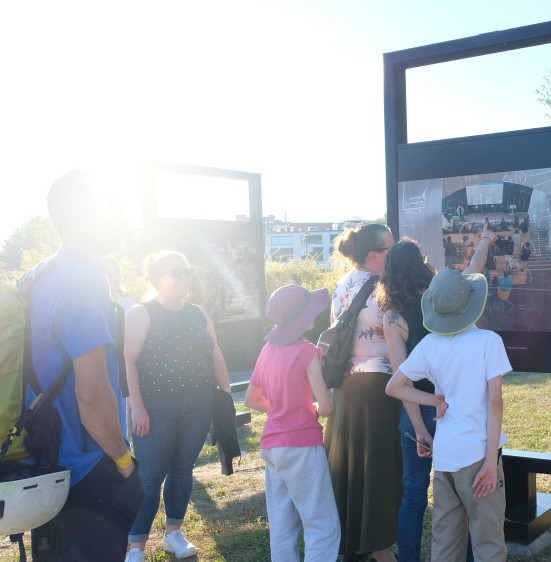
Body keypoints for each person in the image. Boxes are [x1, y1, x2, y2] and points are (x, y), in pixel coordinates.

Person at [26, 170, 144, 561]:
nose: (126, 221)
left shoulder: (38, 276)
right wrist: (124, 462)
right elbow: (92, 392)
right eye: (118, 210)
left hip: (44, 461)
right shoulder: (84, 279)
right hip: (87, 469)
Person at [378, 227, 495, 562]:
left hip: (420, 410)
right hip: (456, 407)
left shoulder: (392, 317)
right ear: (421, 264)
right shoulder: (446, 296)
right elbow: (474, 267)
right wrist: (485, 240)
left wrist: (418, 429)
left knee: (413, 494)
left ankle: (410, 558)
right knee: (470, 492)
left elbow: (404, 382)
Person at [123, 250, 232, 561]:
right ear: (158, 277)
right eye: (177, 272)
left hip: (199, 402)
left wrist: (224, 397)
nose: (185, 277)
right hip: (156, 407)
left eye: (187, 272)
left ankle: (173, 534)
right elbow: (127, 361)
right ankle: (136, 547)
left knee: (183, 470)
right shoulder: (141, 313)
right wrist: (137, 408)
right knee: (150, 475)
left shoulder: (198, 313)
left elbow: (216, 355)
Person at [245, 284, 341, 562]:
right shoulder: (308, 351)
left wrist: (280, 409)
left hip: (272, 446)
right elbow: (325, 407)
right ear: (301, 318)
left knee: (282, 526)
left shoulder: (267, 350)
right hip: (302, 446)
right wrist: (308, 408)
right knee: (321, 524)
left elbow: (251, 399)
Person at [324, 223, 399, 562]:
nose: (394, 255)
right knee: (378, 468)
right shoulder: (383, 287)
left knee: (347, 467)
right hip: (377, 386)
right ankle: (378, 545)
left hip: (345, 385)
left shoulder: (343, 283)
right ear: (374, 255)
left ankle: (348, 541)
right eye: (390, 249)